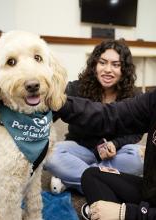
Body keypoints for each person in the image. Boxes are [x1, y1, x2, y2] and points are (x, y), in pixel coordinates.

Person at [54, 35, 156, 220]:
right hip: (151, 191)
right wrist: (57, 102)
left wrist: (125, 213)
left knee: (133, 157)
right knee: (92, 175)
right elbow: (112, 115)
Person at [45, 39, 144, 193]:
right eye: (102, 62)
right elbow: (49, 114)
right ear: (94, 65)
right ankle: (109, 184)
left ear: (124, 69)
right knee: (50, 154)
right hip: (79, 150)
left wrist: (115, 143)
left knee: (140, 157)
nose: (108, 70)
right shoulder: (76, 88)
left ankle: (71, 179)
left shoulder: (134, 95)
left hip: (114, 155)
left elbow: (137, 131)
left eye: (116, 65)